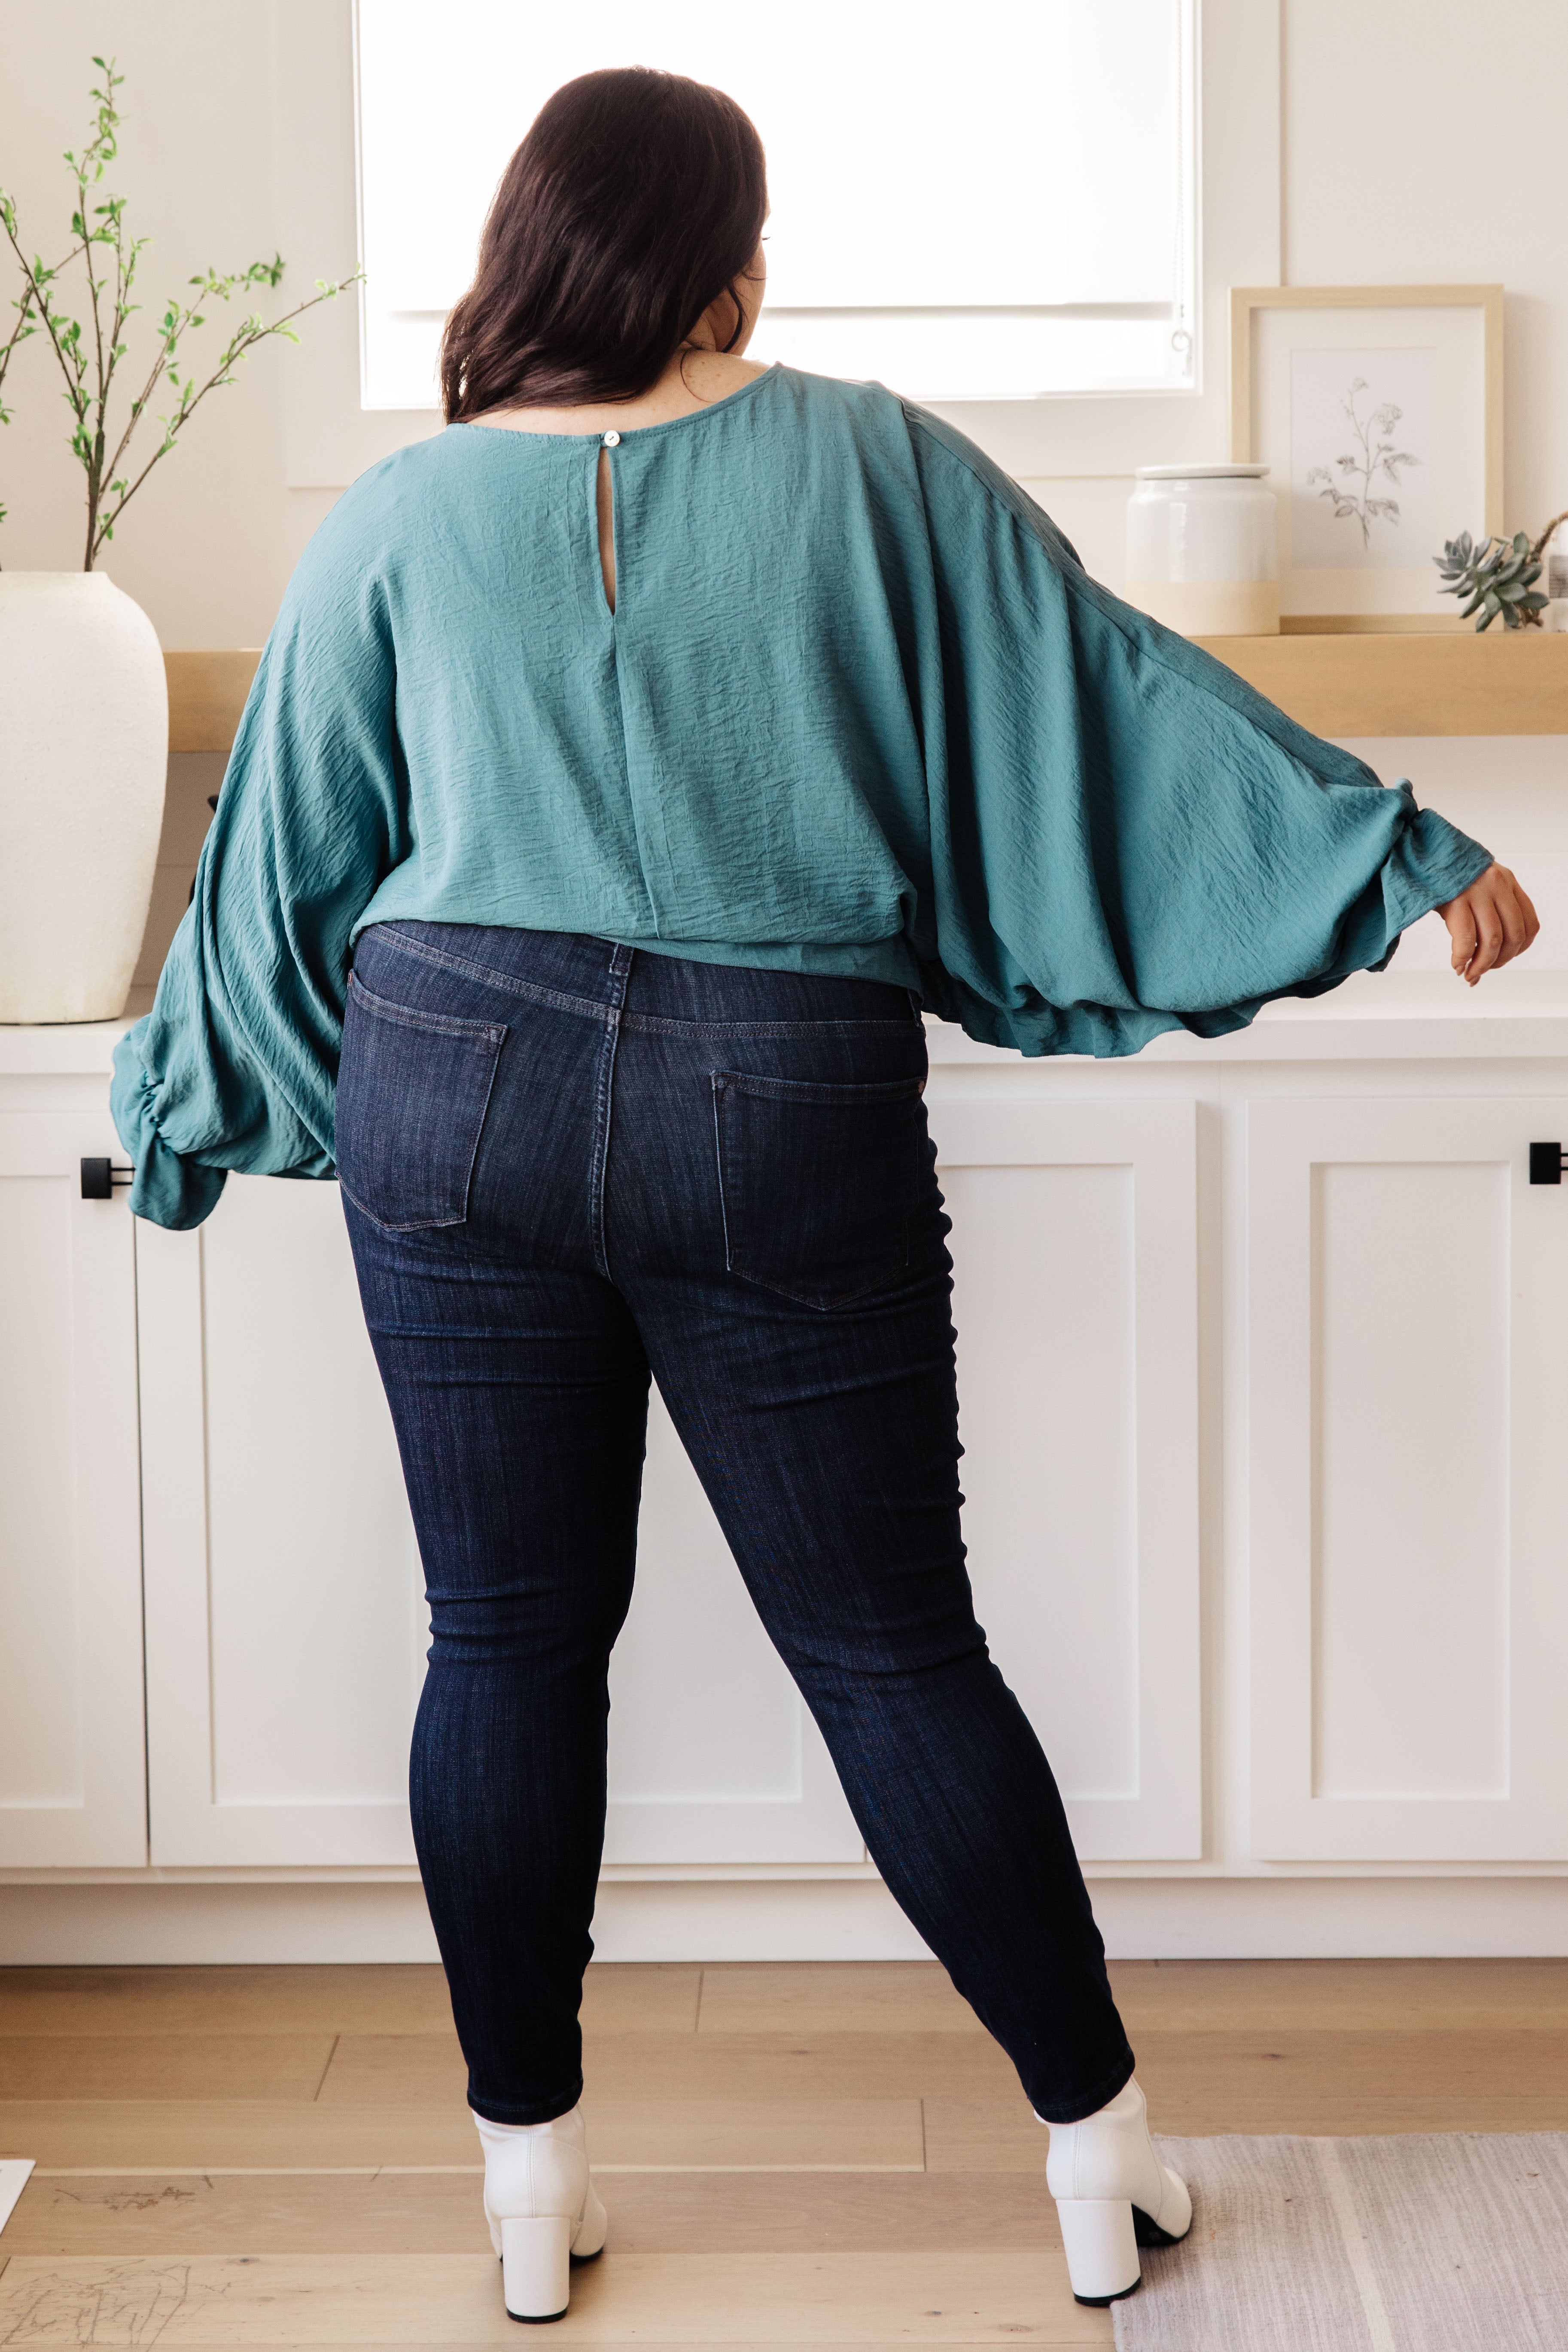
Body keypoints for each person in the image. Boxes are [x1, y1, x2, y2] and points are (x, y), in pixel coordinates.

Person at [111, 65, 1538, 2324]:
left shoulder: (393, 514)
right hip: (773, 1082)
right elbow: (1105, 690)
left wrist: (189, 1102)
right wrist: (1390, 852)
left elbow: (277, 855)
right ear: (729, 268)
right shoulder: (865, 457)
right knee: (889, 1646)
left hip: (450, 1074)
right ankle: (1098, 2155)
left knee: (500, 1640)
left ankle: (524, 2191)